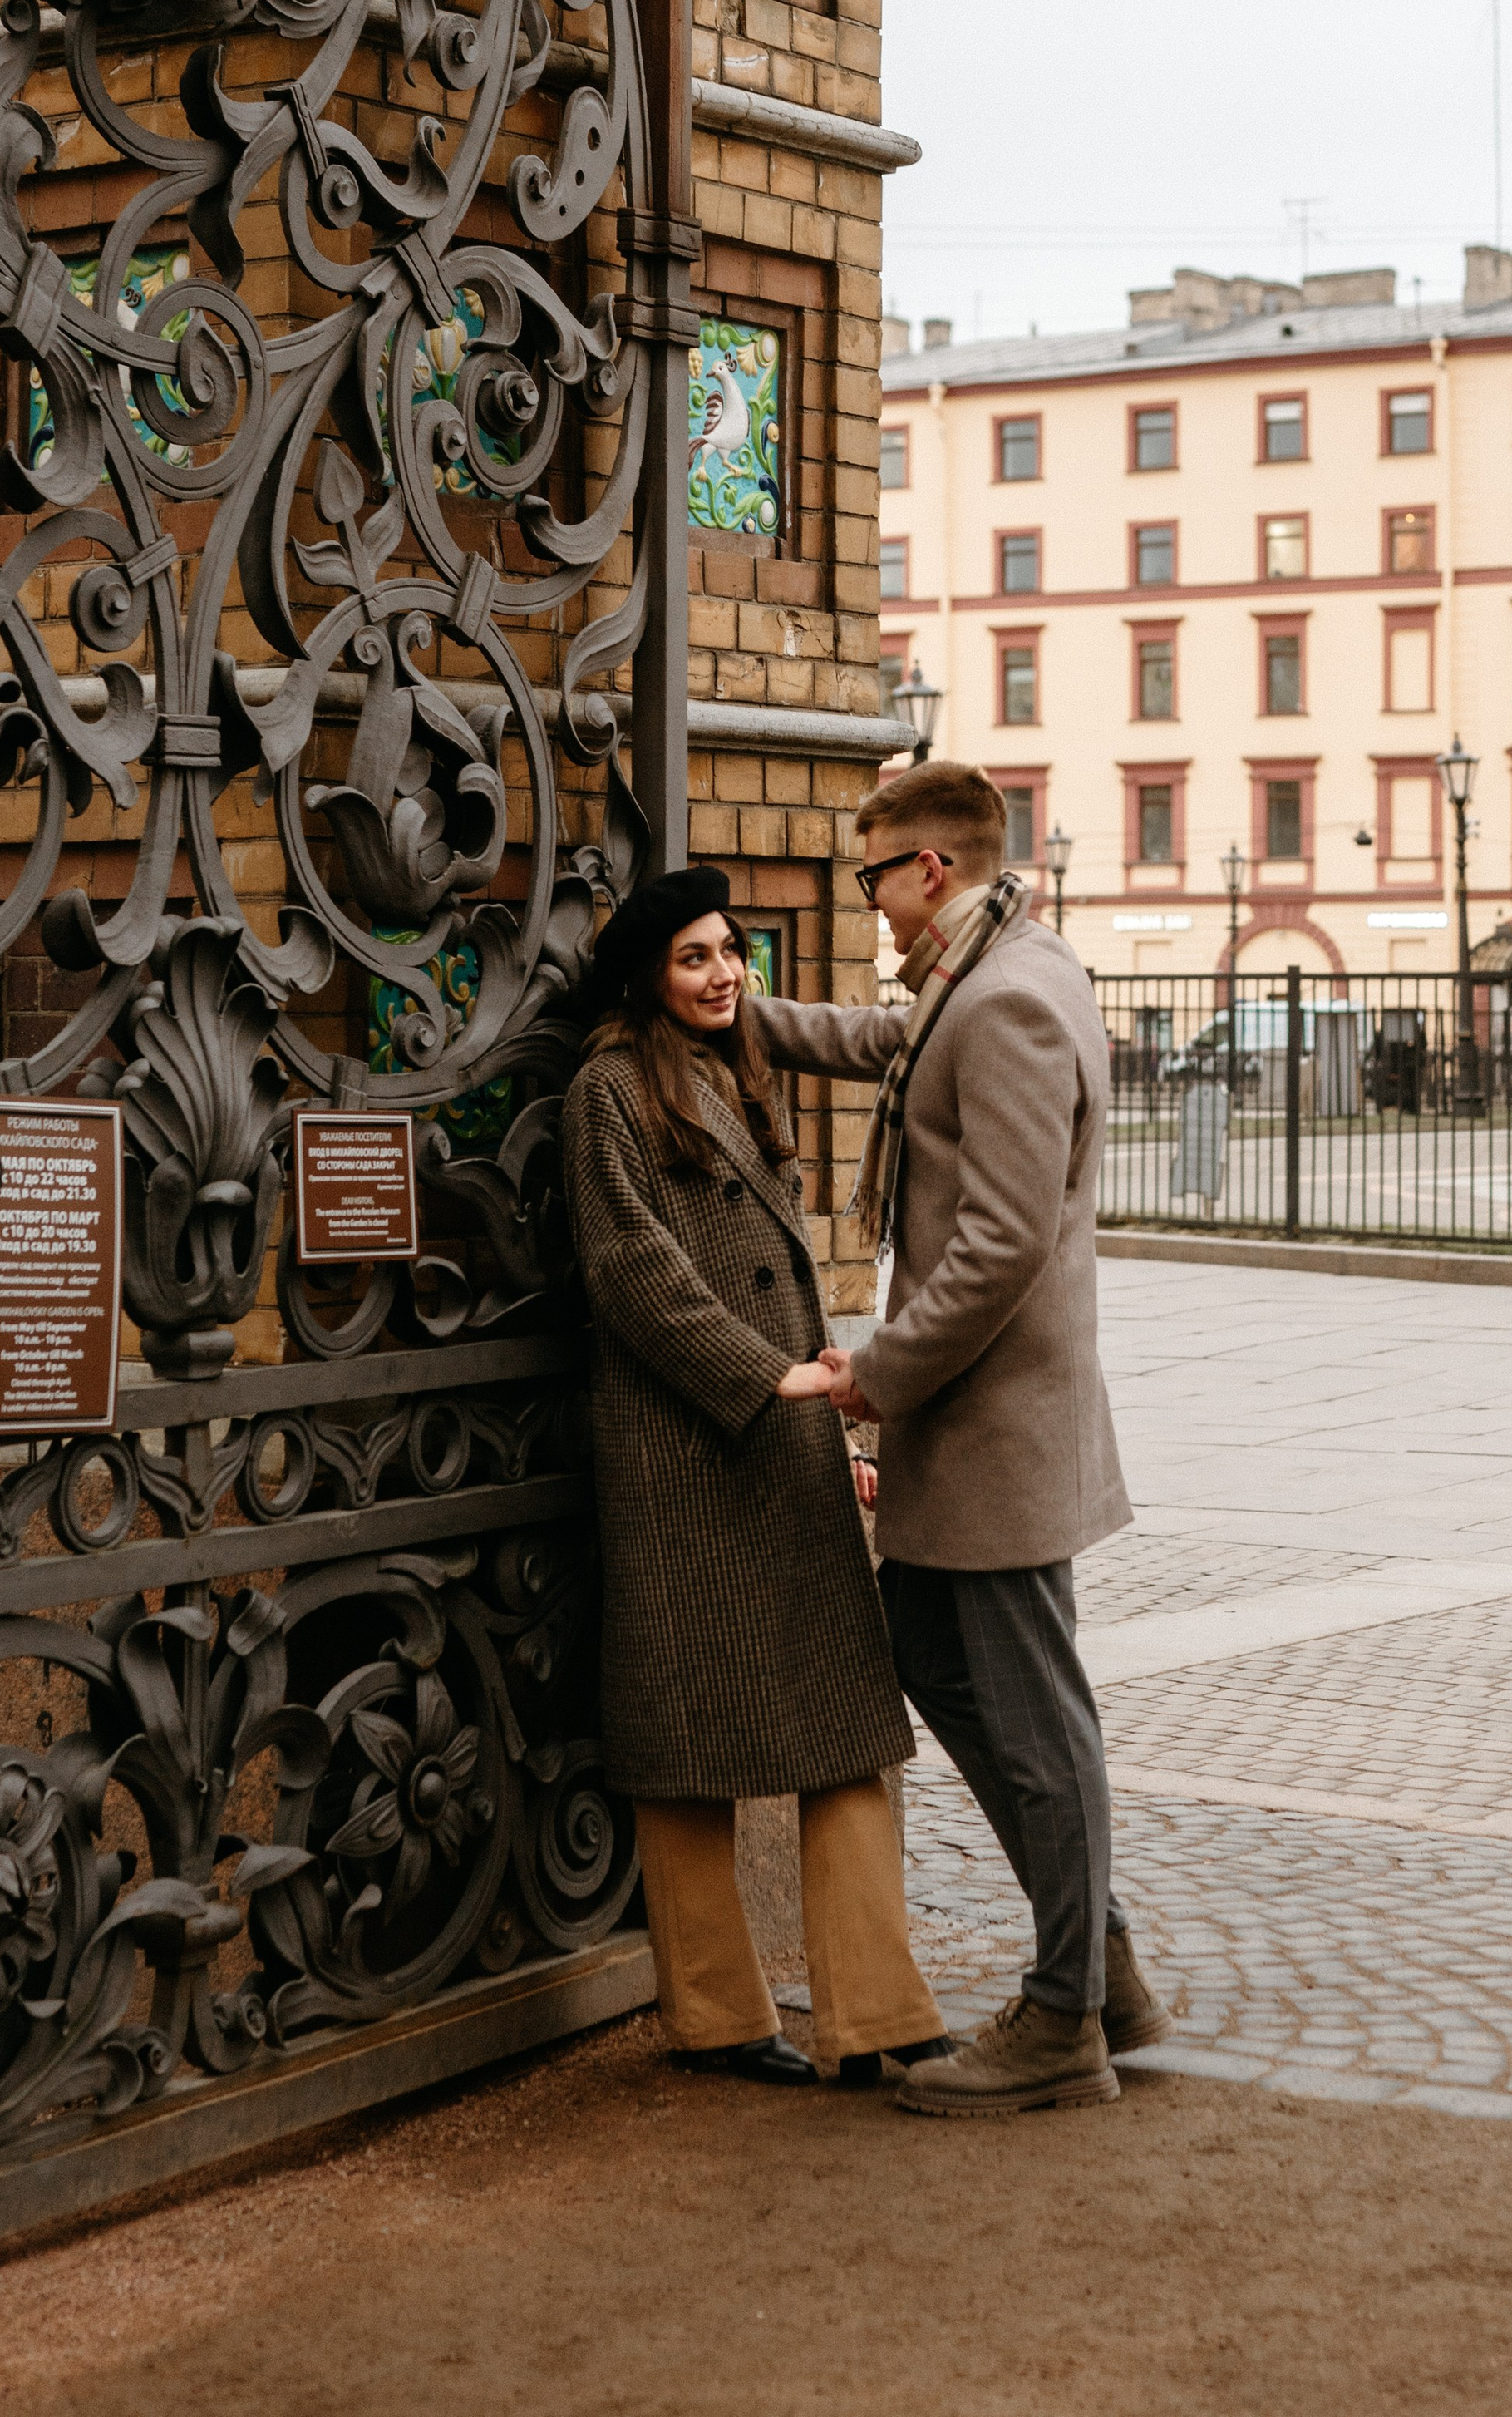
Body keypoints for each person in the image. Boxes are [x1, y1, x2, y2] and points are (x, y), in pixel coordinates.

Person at [753, 762, 1166, 2116]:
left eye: (871, 876)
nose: (864, 902)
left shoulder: (1008, 1006)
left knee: (1036, 1715)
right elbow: (886, 1044)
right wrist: (724, 1007)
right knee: (937, 1653)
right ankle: (1098, 1962)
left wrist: (877, 1377)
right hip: (982, 1422)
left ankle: (1063, 2024)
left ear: (930, 868)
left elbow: (998, 1247)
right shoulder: (986, 973)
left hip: (990, 1422)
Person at [561, 862, 953, 2089]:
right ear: (647, 977)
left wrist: (829, 1426)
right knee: (690, 1747)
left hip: (783, 1443)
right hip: (683, 1454)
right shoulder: (605, 1092)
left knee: (848, 1728)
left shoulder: (731, 1071)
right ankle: (718, 2017)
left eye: (733, 952)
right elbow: (630, 1267)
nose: (725, 973)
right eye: (695, 958)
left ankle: (877, 2014)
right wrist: (765, 1376)